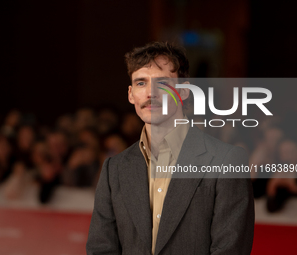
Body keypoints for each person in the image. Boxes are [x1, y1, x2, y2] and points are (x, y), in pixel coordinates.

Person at [86, 42, 254, 255]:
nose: (150, 93)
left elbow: (230, 250)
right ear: (130, 94)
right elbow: (101, 249)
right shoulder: (114, 169)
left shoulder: (226, 160)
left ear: (184, 91)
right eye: (140, 83)